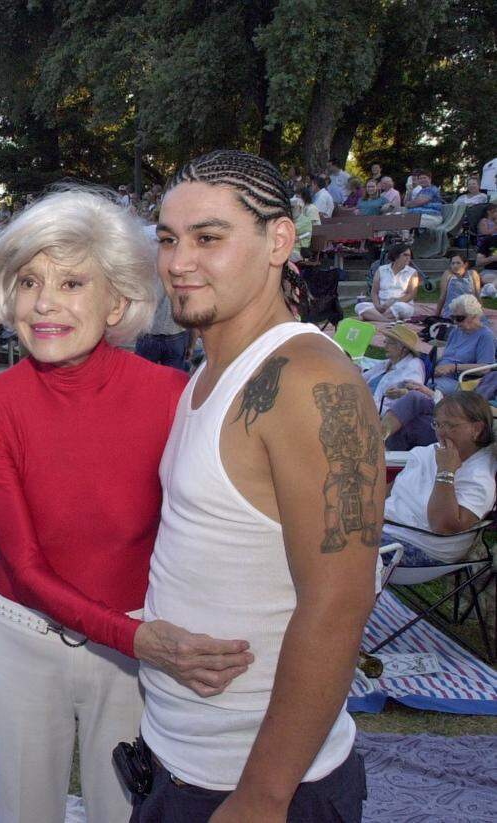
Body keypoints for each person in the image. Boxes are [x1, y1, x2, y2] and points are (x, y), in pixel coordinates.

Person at [0, 186, 239, 823]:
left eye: (72, 283)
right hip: (30, 639)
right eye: (29, 281)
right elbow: (26, 567)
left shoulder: (175, 395)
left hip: (139, 645)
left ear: (118, 301)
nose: (45, 303)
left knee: (129, 811)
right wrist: (140, 640)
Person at [138, 149, 382, 821]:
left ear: (279, 240)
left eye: (208, 238)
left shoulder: (308, 380)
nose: (178, 261)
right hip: (181, 761)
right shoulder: (212, 371)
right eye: (168, 238)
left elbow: (339, 603)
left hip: (257, 786)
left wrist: (262, 795)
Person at [382, 392, 497, 566]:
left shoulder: (480, 476)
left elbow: (443, 527)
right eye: (437, 424)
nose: (441, 433)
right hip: (388, 527)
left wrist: (445, 472)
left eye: (450, 425)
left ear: (477, 429)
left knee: (334, 546)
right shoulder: (433, 451)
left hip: (419, 545)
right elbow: (393, 488)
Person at [431, 294, 495, 395]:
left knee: (424, 386)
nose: (455, 322)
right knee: (410, 380)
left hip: (462, 382)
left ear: (473, 315)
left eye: (459, 318)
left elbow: (485, 369)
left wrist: (454, 367)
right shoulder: (456, 331)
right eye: (453, 318)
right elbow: (448, 354)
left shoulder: (485, 336)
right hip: (440, 375)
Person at [361, 323, 426, 416]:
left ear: (403, 349)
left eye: (389, 343)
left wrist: (404, 392)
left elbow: (414, 397)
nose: (385, 346)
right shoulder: (390, 362)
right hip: (365, 400)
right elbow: (362, 377)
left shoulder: (412, 367)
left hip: (379, 412)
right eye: (385, 342)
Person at [355, 243, 420, 321]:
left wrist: (393, 302)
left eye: (409, 255)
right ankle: (387, 320)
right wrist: (377, 305)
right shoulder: (381, 270)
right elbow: (374, 292)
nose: (408, 258)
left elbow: (411, 294)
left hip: (401, 304)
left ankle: (371, 316)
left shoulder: (412, 272)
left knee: (399, 307)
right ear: (396, 256)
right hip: (382, 305)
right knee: (360, 306)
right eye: (405, 255)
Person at [434, 253, 481, 319]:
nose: (455, 266)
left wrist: (480, 313)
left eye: (458, 263)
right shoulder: (448, 274)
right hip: (452, 312)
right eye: (453, 263)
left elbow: (477, 295)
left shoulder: (473, 274)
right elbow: (442, 297)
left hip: (470, 311)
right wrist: (436, 316)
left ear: (465, 264)